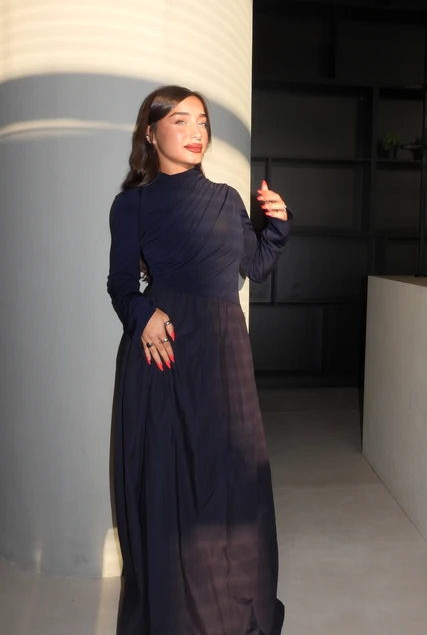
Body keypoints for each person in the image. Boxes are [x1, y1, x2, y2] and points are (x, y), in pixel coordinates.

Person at [107, 85, 293, 635]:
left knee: (228, 476)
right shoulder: (132, 204)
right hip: (162, 353)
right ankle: (175, 612)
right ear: (151, 133)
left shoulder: (227, 198)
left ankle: (230, 605)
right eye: (181, 121)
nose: (196, 133)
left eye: (203, 122)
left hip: (223, 351)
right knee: (170, 480)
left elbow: (253, 267)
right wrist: (142, 314)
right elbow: (120, 283)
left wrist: (278, 226)